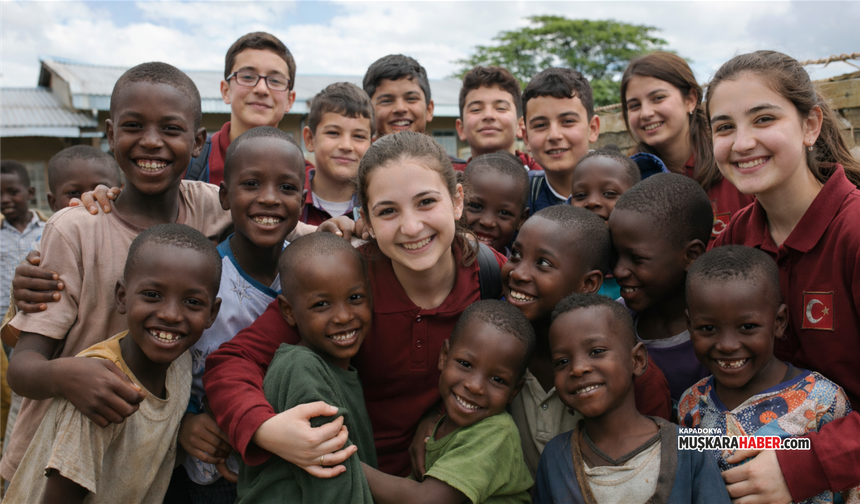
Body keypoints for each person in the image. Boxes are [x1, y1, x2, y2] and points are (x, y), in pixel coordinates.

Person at [203, 131, 506, 480]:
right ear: (368, 221)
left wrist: (441, 413)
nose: (411, 226)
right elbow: (232, 362)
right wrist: (265, 429)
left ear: (456, 201)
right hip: (343, 479)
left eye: (426, 202)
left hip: (446, 480)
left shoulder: (489, 274)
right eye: (388, 211)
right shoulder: (346, 281)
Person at [1, 62, 233, 482]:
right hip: (52, 462)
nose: (151, 142)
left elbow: (281, 220)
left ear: (199, 142)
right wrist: (66, 375)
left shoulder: (211, 207)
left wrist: (339, 225)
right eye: (133, 125)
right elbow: (22, 367)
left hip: (141, 463)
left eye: (170, 129)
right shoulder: (75, 230)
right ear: (110, 134)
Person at [706, 50, 860, 504]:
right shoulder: (735, 236)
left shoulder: (853, 232)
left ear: (810, 125)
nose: (742, 143)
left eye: (763, 119)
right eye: (724, 127)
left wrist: (802, 467)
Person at [4, 224, 222, 503]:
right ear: (122, 296)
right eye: (153, 295)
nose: (170, 315)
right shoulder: (97, 390)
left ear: (212, 313)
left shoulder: (180, 363)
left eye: (192, 302)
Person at [177, 127, 305, 502]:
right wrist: (184, 420)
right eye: (251, 184)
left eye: (286, 187)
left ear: (303, 198)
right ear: (225, 196)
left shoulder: (310, 273)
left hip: (290, 465)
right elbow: (169, 360)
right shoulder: (203, 278)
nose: (269, 199)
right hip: (215, 469)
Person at [679, 245, 858, 504]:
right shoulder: (690, 404)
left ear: (779, 322)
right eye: (708, 328)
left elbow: (853, 488)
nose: (727, 345)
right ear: (689, 325)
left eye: (748, 327)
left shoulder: (823, 400)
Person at [504, 204, 671, 478]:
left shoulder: (632, 376)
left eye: (543, 263)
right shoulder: (501, 351)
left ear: (589, 283)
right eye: (516, 255)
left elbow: (663, 463)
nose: (518, 273)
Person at [534, 293, 730, 504]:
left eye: (597, 351)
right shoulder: (555, 456)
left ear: (637, 360)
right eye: (562, 361)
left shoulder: (690, 447)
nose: (578, 369)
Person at [238, 232, 377, 503]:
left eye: (355, 298)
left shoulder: (339, 367)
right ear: (289, 312)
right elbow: (334, 489)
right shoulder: (302, 371)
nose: (344, 316)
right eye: (321, 304)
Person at [361, 300, 533, 504]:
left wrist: (346, 463)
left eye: (497, 380)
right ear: (444, 356)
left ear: (515, 391)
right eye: (465, 364)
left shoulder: (496, 433)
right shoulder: (441, 425)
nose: (475, 386)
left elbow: (424, 500)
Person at [620, 51, 753, 240]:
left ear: (690, 100)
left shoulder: (736, 157)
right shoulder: (626, 178)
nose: (645, 113)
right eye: (634, 105)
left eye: (658, 98)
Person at [609, 173, 713, 408]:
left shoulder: (717, 339)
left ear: (691, 256)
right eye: (615, 255)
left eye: (636, 258)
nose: (619, 270)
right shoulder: (615, 323)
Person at [185, 32, 298, 186]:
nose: (261, 89)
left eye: (276, 80)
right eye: (247, 77)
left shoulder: (303, 176)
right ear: (226, 91)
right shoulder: (187, 161)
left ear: (289, 100)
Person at [362, 54, 467, 166]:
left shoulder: (457, 173)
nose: (400, 108)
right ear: (368, 111)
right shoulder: (353, 170)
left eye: (411, 99)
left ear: (429, 109)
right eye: (387, 101)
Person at [521, 68, 600, 213]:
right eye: (540, 125)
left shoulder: (625, 187)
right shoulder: (519, 196)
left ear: (593, 128)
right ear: (526, 138)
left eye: (568, 121)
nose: (554, 135)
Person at [568, 145, 641, 300]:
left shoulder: (647, 260)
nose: (592, 202)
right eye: (581, 195)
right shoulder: (564, 258)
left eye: (609, 193)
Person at [300, 82, 373, 225]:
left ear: (372, 144)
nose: (346, 146)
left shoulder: (377, 204)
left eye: (359, 136)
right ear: (310, 139)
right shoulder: (288, 198)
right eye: (333, 133)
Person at [452, 66, 541, 171]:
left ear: (520, 126)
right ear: (461, 129)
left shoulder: (547, 178)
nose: (489, 116)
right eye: (476, 109)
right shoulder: (446, 183)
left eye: (501, 108)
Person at [463, 152, 530, 254]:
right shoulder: (437, 263)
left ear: (521, 220)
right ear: (457, 203)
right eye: (476, 206)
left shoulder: (514, 269)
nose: (487, 222)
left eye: (504, 213)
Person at [46, 146, 123, 212]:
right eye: (74, 193)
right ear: (53, 202)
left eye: (100, 190)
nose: (88, 198)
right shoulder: (53, 229)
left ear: (120, 193)